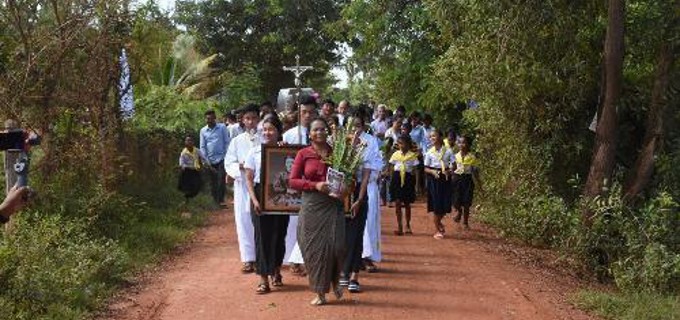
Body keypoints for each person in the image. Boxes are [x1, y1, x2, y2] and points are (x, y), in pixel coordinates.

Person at [288, 118, 345, 306]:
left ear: (327, 132)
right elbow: (293, 181)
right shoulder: (303, 154)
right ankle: (320, 292)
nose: (319, 132)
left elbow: (348, 176)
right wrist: (315, 185)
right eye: (315, 129)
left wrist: (347, 187)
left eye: (323, 129)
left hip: (333, 204)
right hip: (312, 204)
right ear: (310, 133)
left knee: (337, 246)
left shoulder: (337, 152)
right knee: (314, 249)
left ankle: (335, 279)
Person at [244, 116, 290, 294]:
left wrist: (286, 151)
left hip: (280, 196)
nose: (267, 133)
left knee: (279, 234)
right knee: (262, 237)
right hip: (259, 195)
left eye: (271, 129)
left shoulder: (284, 149)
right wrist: (255, 200)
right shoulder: (254, 152)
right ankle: (263, 279)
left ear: (278, 131)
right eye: (264, 129)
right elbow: (248, 178)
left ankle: (276, 270)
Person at [340, 114, 380, 293]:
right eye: (350, 125)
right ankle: (343, 271)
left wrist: (359, 199)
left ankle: (354, 275)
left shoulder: (369, 143)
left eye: (357, 125)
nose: (354, 129)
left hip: (360, 193)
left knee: (357, 234)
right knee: (344, 235)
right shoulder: (340, 142)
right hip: (341, 193)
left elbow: (366, 174)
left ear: (363, 126)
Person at [282, 96, 318, 273]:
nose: (307, 115)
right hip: (295, 188)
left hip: (315, 188)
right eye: (304, 112)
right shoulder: (289, 135)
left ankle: (306, 259)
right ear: (298, 113)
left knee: (311, 224)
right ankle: (293, 259)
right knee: (294, 223)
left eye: (311, 112)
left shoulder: (321, 134)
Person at [224, 103, 261, 273]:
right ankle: (248, 259)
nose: (251, 121)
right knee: (243, 221)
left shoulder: (266, 137)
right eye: (248, 118)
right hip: (242, 186)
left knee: (261, 221)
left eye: (254, 118)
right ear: (242, 121)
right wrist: (240, 168)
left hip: (261, 186)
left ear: (258, 119)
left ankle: (262, 257)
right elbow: (229, 163)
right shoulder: (236, 141)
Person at [424, 130, 454, 239]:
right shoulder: (429, 152)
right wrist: (432, 172)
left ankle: (439, 222)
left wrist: (450, 171)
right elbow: (426, 168)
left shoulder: (448, 151)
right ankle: (437, 229)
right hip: (434, 178)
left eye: (434, 136)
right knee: (436, 204)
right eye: (431, 136)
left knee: (445, 203)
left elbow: (454, 164)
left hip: (445, 177)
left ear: (441, 137)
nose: (432, 138)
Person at [199, 109, 231, 205]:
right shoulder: (203, 131)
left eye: (211, 118)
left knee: (221, 179)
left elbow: (227, 142)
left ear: (215, 118)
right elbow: (202, 146)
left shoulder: (222, 128)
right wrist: (206, 160)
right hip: (209, 160)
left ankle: (220, 200)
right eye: (207, 118)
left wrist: (226, 156)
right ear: (205, 119)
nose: (209, 120)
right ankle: (215, 201)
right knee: (213, 181)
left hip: (222, 158)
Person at [389, 135, 418, 235]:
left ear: (408, 144)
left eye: (403, 143)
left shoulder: (412, 155)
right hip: (397, 179)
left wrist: (417, 185)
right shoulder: (395, 154)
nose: (401, 145)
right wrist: (390, 180)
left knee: (407, 203)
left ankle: (408, 225)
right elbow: (391, 168)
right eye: (399, 143)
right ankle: (399, 225)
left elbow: (415, 171)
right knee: (397, 202)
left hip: (408, 179)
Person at [452, 136, 482, 230]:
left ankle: (465, 222)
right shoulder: (455, 156)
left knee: (466, 202)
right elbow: (452, 168)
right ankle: (459, 211)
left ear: (468, 145)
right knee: (456, 200)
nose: (461, 145)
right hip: (457, 179)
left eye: (464, 142)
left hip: (467, 180)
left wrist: (479, 185)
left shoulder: (472, 157)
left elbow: (475, 172)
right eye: (460, 142)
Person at [178, 136, 204, 204]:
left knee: (197, 186)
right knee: (186, 187)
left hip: (195, 171)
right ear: (185, 142)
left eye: (190, 140)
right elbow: (181, 161)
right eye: (187, 140)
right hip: (187, 171)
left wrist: (208, 165)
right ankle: (186, 200)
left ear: (193, 142)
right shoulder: (184, 152)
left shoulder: (197, 150)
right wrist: (181, 166)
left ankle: (190, 198)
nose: (189, 142)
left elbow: (203, 158)